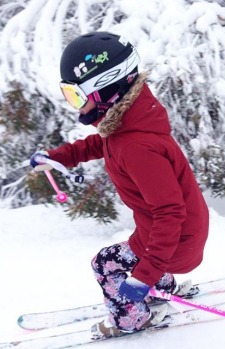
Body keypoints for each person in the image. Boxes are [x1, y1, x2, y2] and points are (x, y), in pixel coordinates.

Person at [30, 32, 209, 339]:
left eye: (76, 95)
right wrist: (57, 158)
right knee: (139, 245)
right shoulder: (129, 124)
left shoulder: (137, 146)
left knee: (104, 263)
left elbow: (170, 213)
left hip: (177, 240)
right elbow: (99, 145)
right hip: (167, 233)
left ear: (105, 90)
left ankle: (130, 318)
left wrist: (144, 276)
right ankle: (161, 287)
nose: (76, 106)